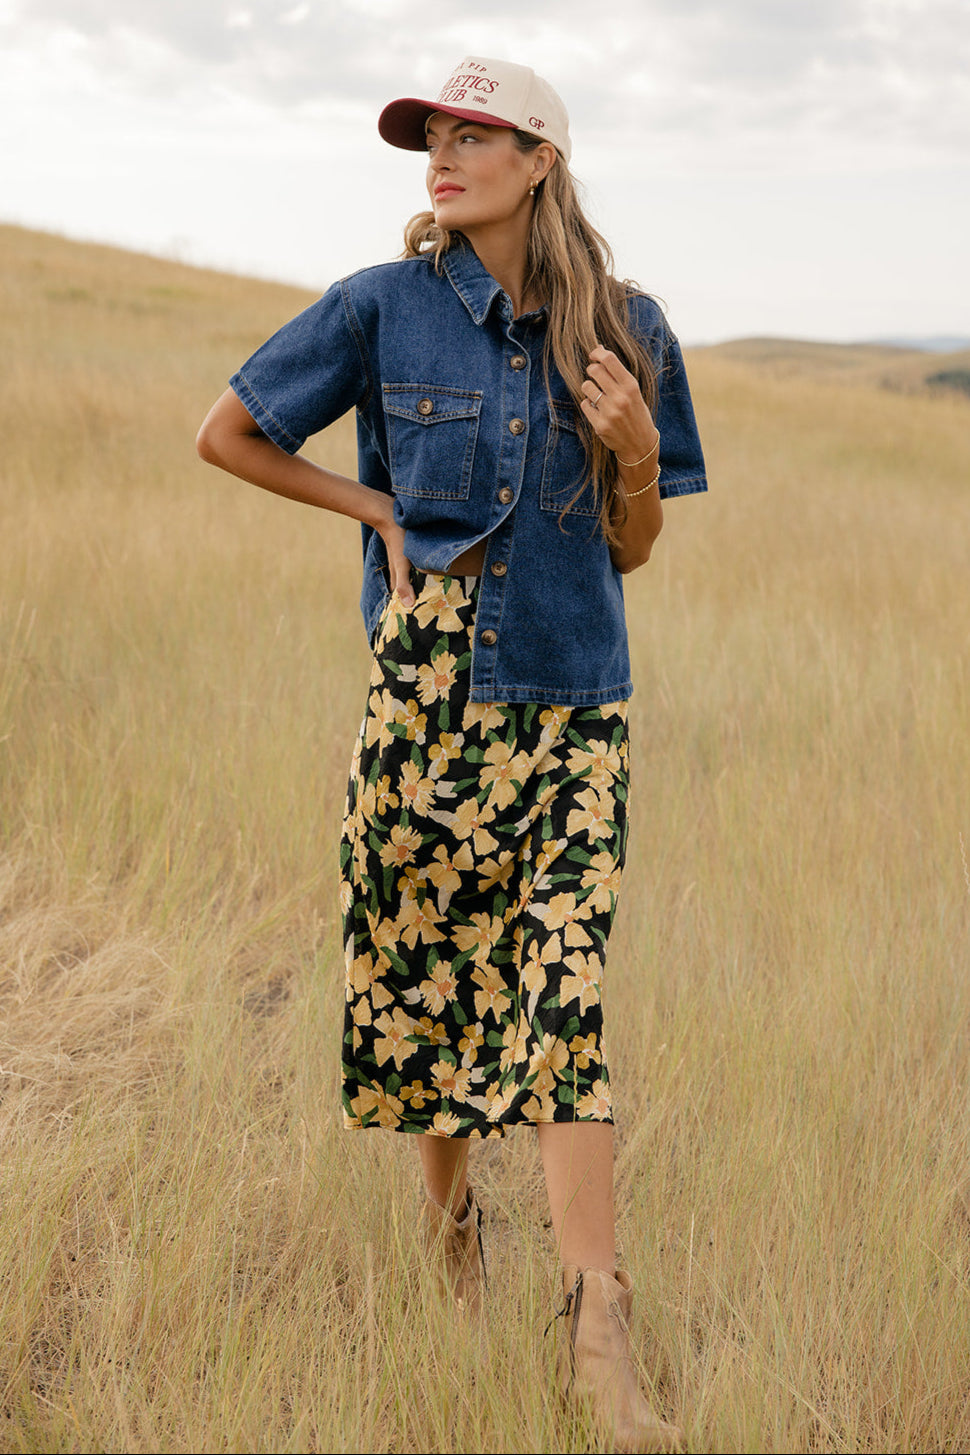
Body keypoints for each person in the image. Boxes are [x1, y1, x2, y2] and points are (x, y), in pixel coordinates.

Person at [197, 54, 706, 1455]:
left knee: (562, 995)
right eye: (434, 132)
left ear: (542, 160)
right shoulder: (380, 306)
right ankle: (451, 1227)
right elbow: (227, 434)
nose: (445, 151)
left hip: (572, 698)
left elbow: (633, 548)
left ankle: (596, 1325)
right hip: (423, 702)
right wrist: (374, 509)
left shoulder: (631, 329)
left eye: (477, 132)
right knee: (428, 978)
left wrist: (633, 448)